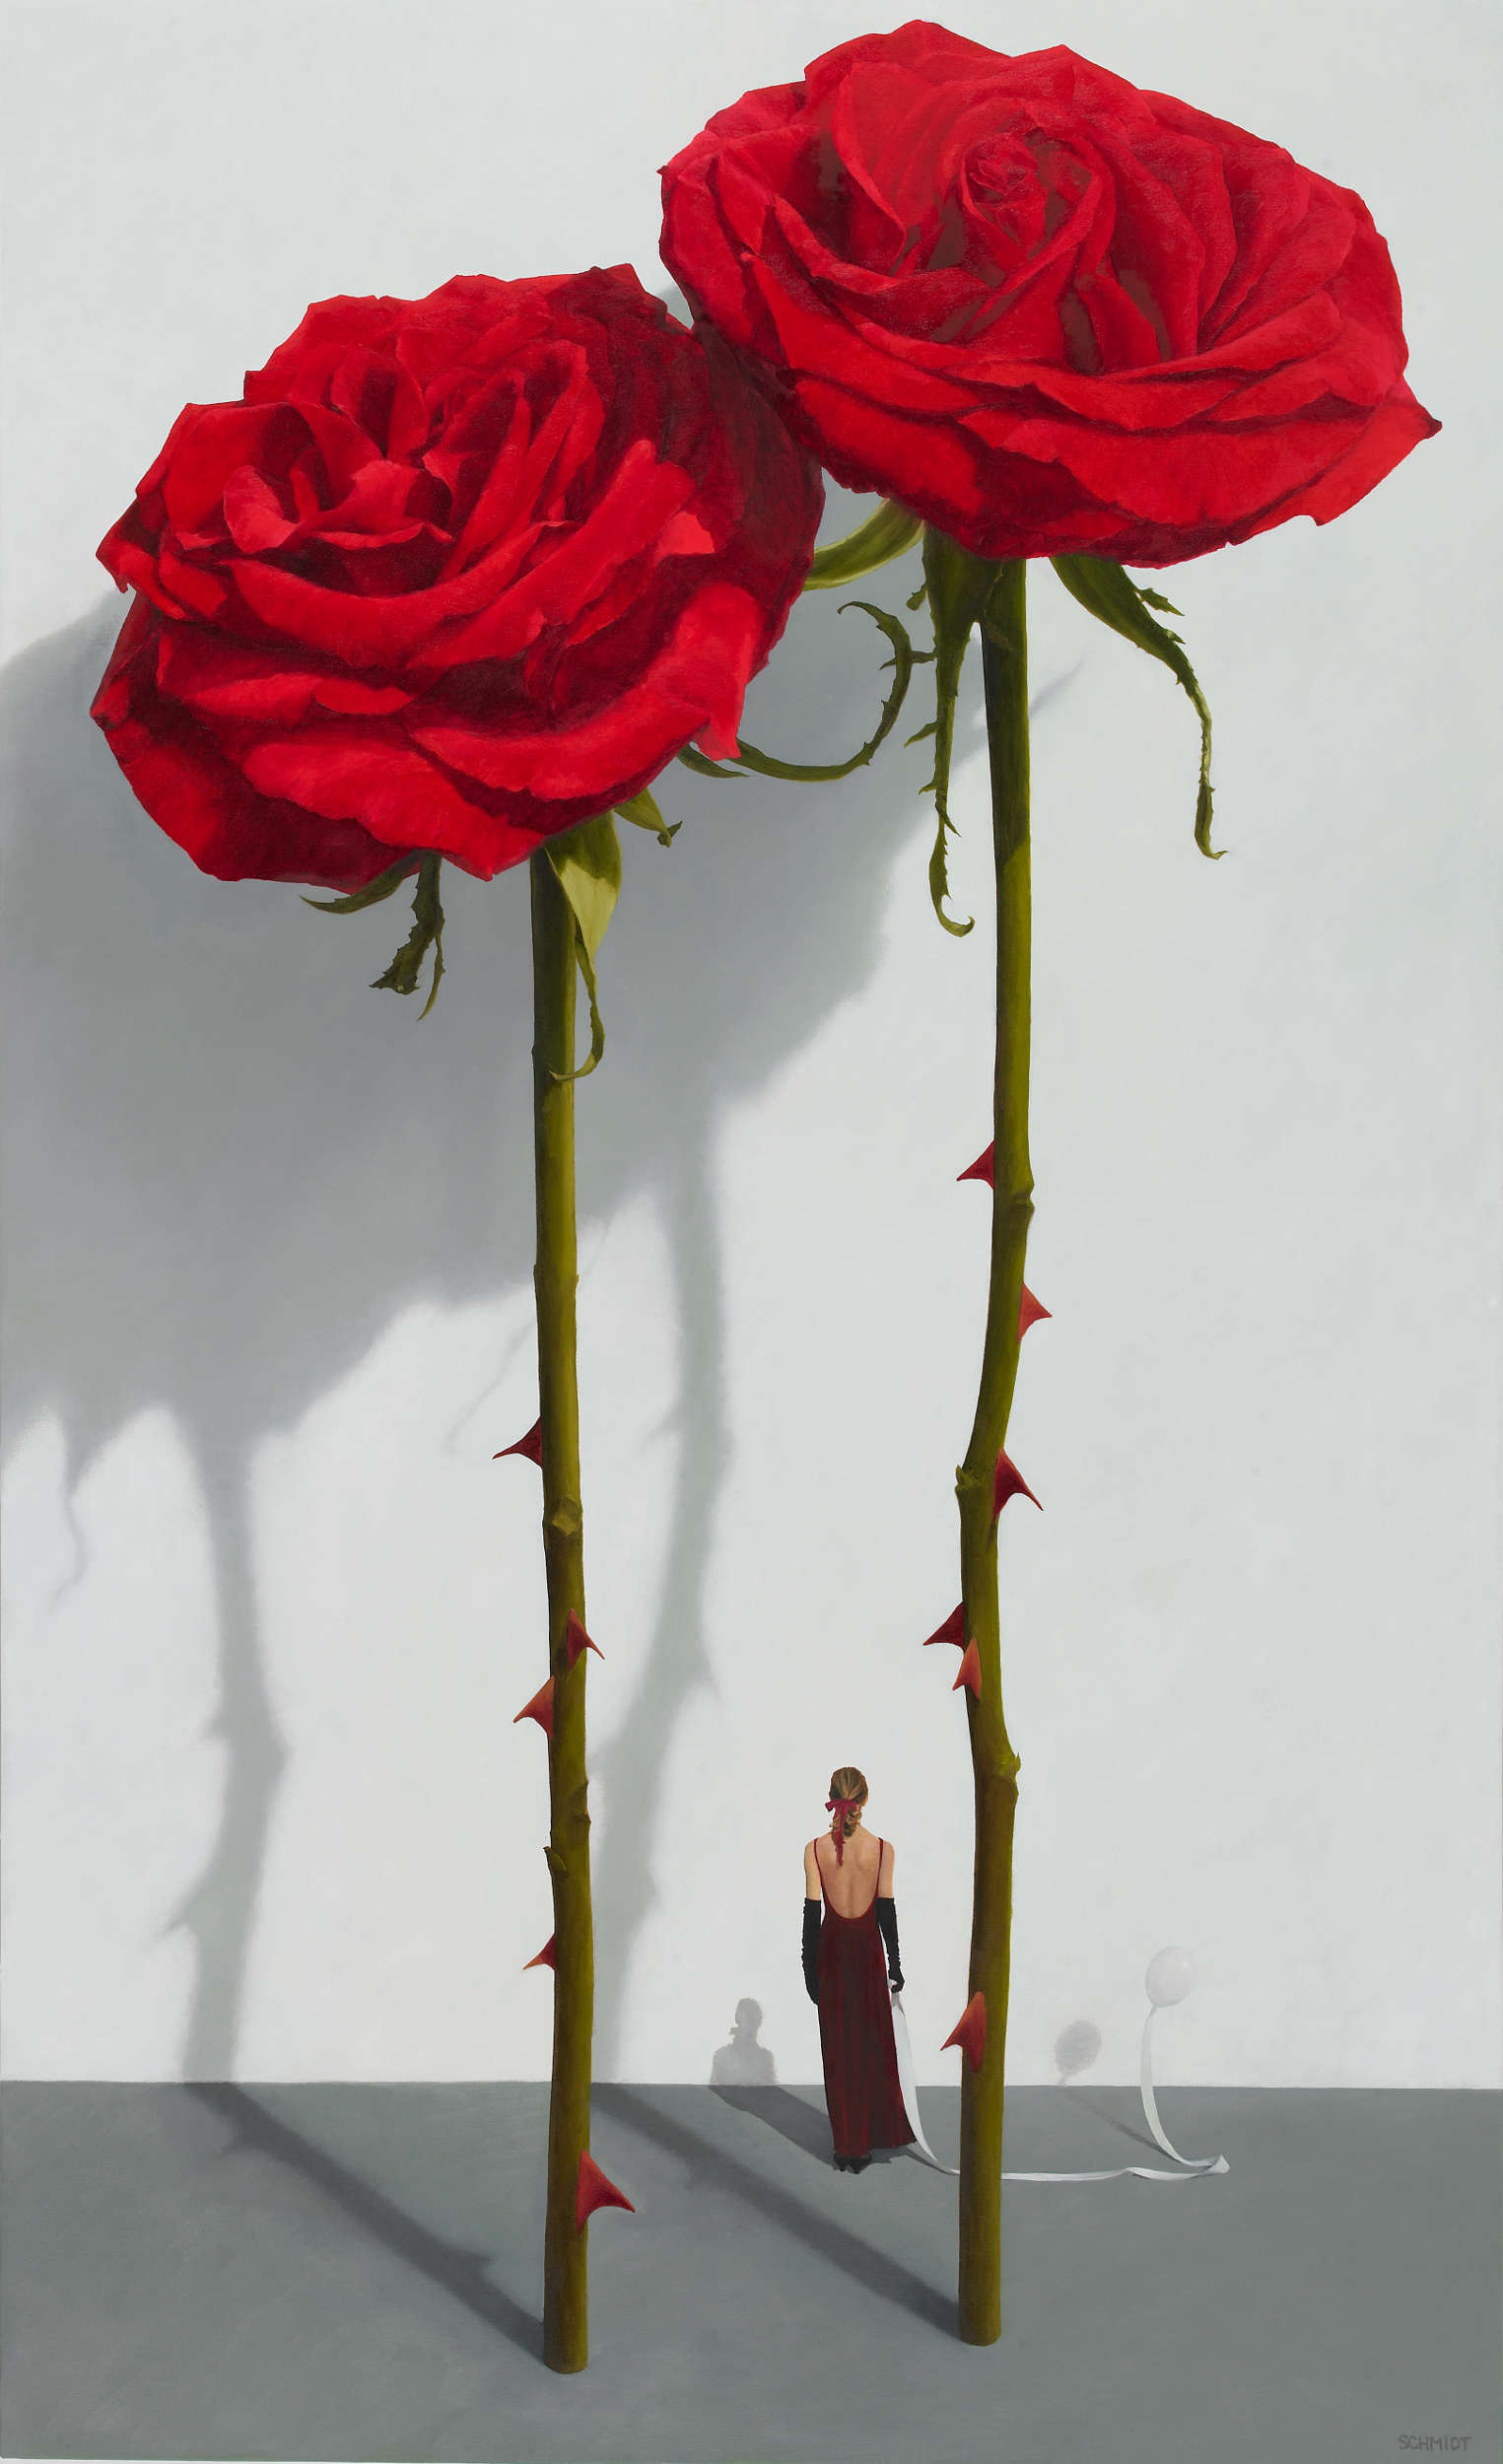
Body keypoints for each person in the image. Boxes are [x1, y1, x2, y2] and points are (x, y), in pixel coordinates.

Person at [801, 1765, 915, 2172]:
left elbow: (811, 1917)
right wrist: (896, 1963)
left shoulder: (814, 1850)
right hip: (868, 1954)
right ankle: (867, 2140)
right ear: (865, 1800)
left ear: (833, 1797)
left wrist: (808, 1969)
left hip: (832, 1953)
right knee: (869, 2045)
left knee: (838, 2048)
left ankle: (845, 2146)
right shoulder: (883, 1849)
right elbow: (886, 1910)